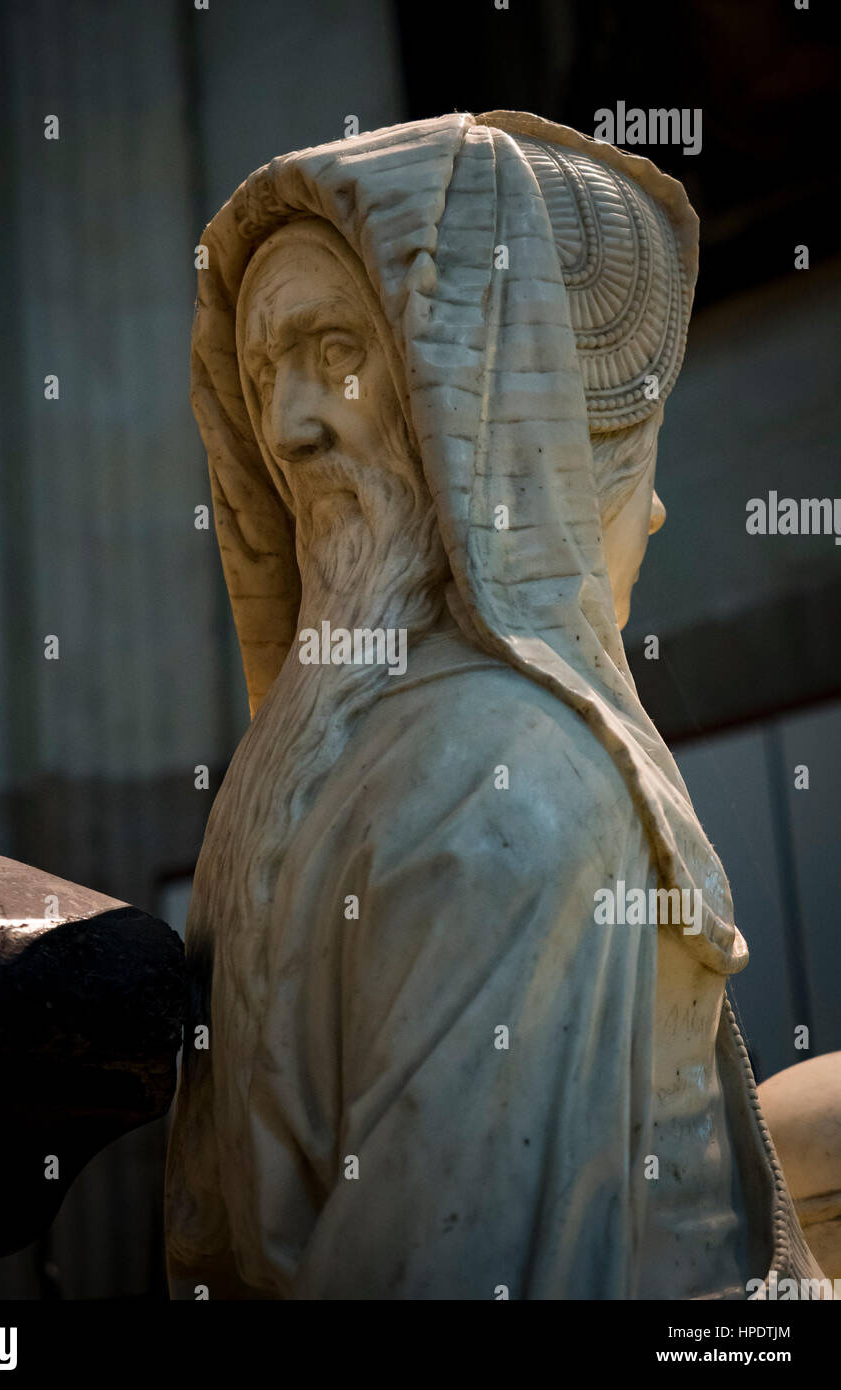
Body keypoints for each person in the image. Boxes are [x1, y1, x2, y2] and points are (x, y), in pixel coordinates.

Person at [165, 111, 826, 1299]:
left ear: (457, 396)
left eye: (333, 352)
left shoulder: (294, 773)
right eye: (268, 372)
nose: (289, 426)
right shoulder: (512, 775)